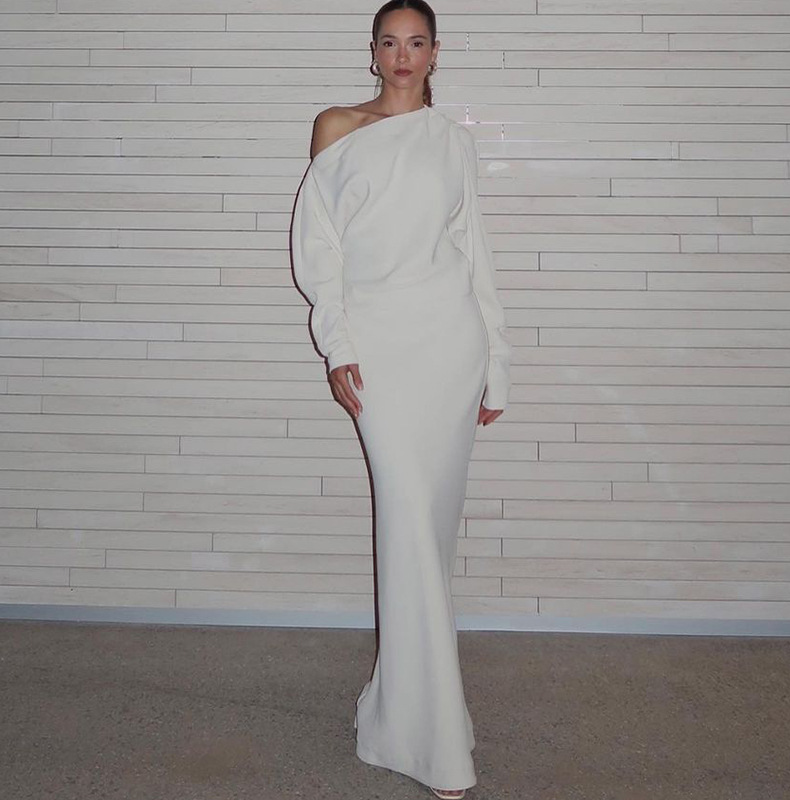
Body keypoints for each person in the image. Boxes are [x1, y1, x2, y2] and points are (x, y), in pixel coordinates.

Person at [290, 2, 511, 797]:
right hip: (379, 348)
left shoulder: (453, 142)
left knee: (430, 536)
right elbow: (319, 247)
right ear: (374, 51)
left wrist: (498, 362)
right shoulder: (337, 127)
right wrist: (338, 342)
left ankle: (403, 710)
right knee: (410, 520)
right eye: (391, 41)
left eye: (417, 42)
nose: (403, 55)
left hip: (450, 344)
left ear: (435, 53)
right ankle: (433, 741)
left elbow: (474, 252)